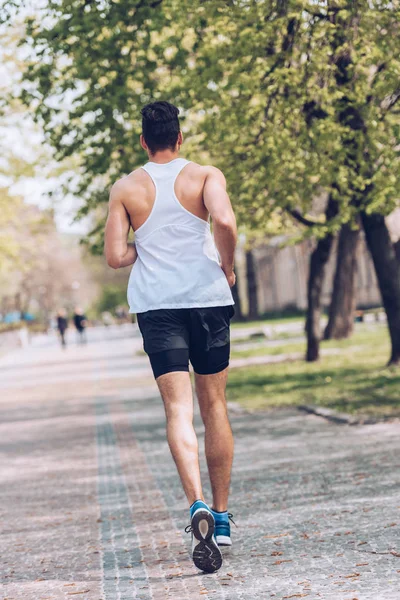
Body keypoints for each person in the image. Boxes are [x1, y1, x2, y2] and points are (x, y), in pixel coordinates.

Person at [104, 101, 237, 574]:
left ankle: (195, 503)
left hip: (158, 308)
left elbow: (115, 257)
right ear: (179, 138)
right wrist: (227, 264)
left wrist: (146, 245)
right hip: (206, 300)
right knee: (214, 407)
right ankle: (220, 519)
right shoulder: (205, 176)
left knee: (178, 410)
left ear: (144, 140)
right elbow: (224, 222)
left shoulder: (126, 188)